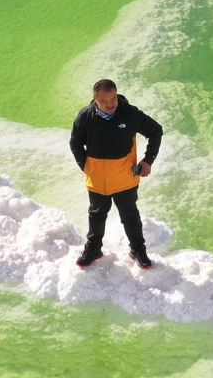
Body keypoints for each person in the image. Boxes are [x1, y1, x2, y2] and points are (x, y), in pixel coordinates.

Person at [69, 78, 163, 269]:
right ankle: (94, 249)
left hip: (124, 178)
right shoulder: (85, 116)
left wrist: (148, 160)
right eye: (105, 101)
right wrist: (85, 166)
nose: (111, 104)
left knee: (129, 216)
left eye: (113, 99)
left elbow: (156, 131)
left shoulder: (129, 114)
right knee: (96, 214)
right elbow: (75, 143)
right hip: (97, 179)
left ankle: (138, 250)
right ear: (96, 99)